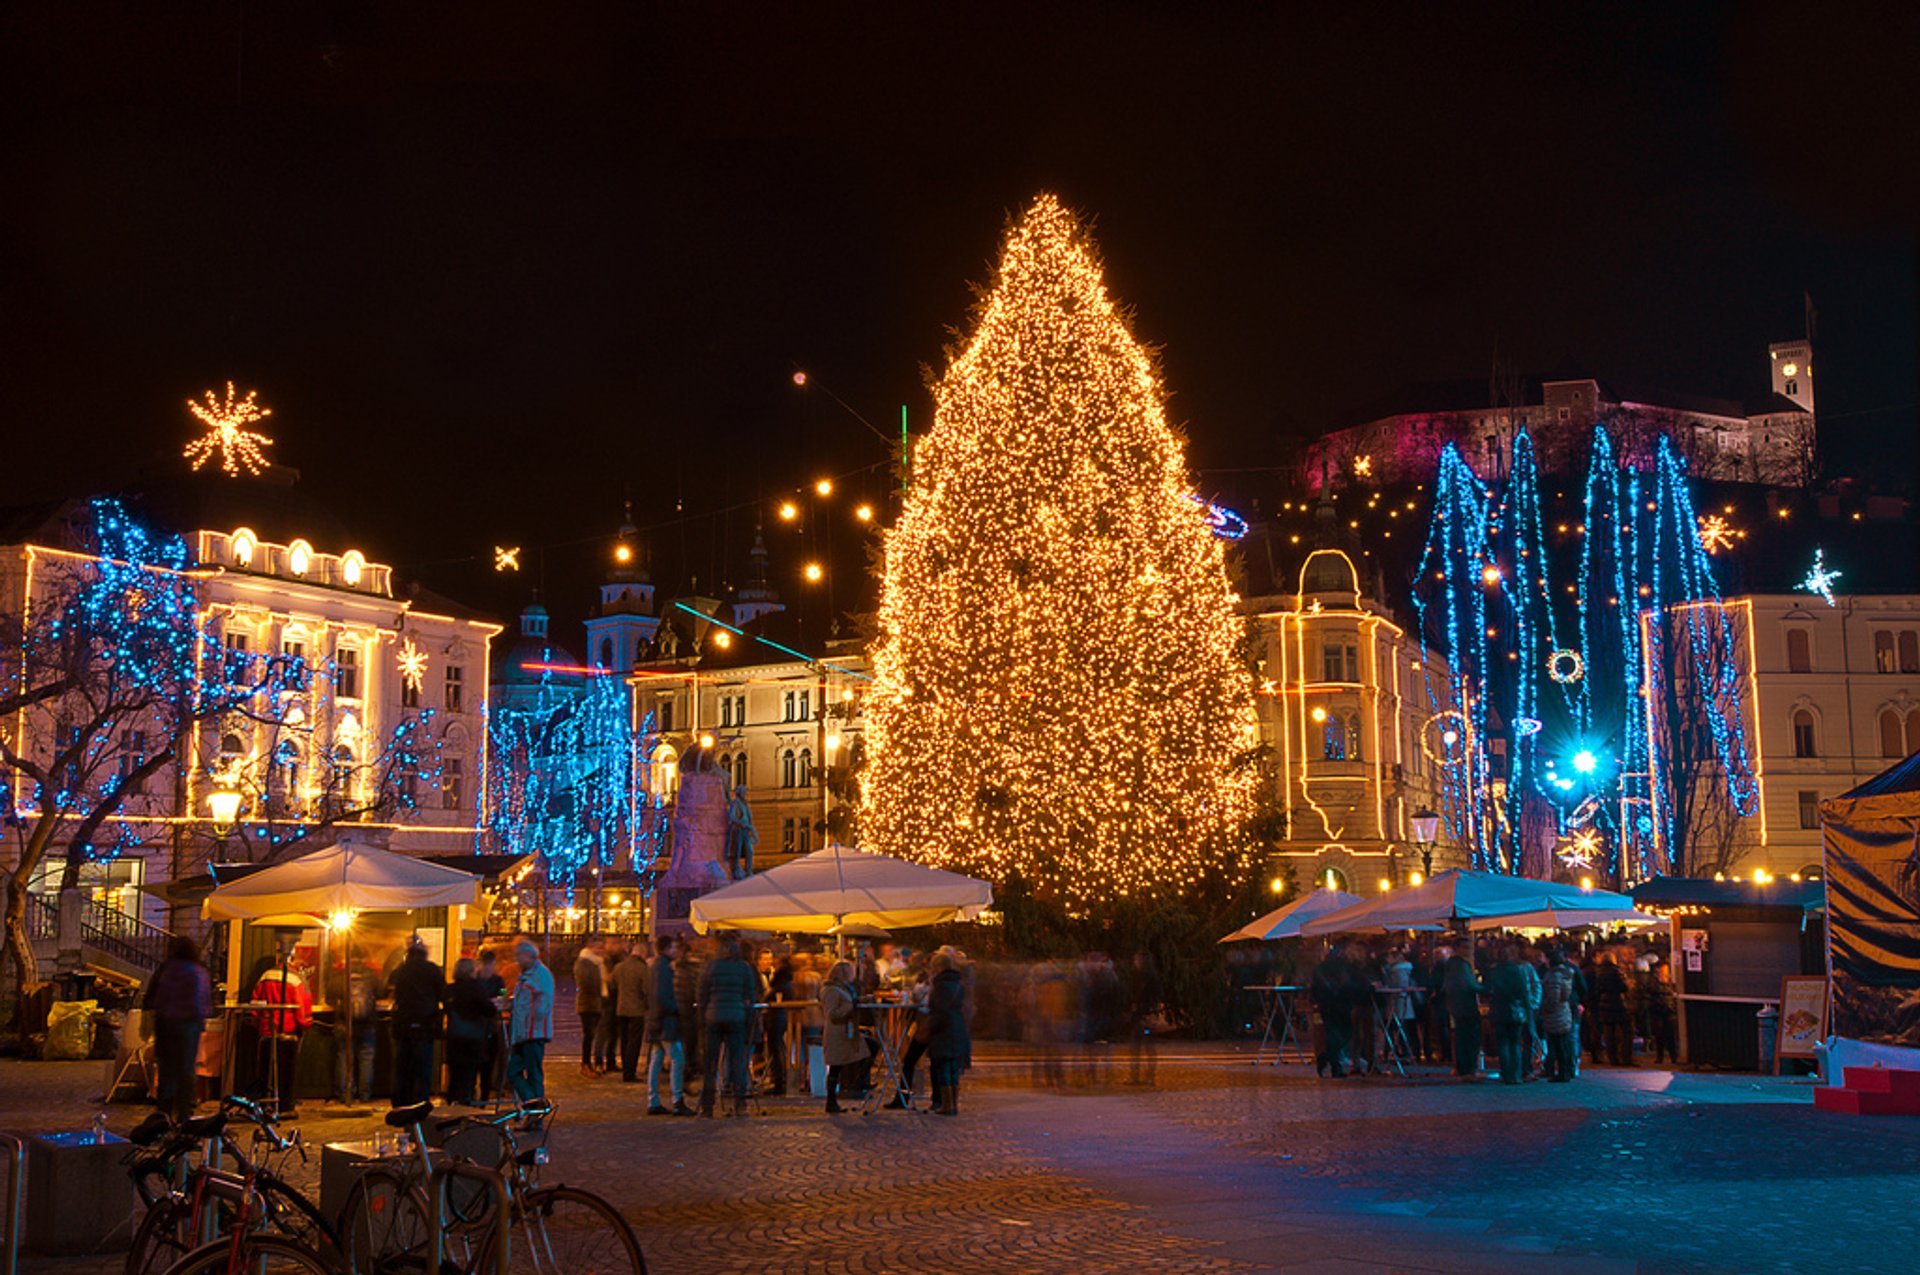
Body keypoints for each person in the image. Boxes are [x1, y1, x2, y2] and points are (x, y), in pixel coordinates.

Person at [144, 935, 212, 1123]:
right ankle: (185, 1114)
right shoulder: (198, 971)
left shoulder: (166, 969)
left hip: (165, 1023)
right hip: (189, 1024)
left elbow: (152, 996)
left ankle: (163, 1113)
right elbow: (203, 999)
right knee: (186, 1069)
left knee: (167, 1070)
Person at [696, 937, 756, 1117]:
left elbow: (701, 994)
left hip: (713, 1017)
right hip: (736, 1017)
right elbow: (750, 995)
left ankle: (708, 1105)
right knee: (737, 1060)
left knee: (711, 1062)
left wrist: (703, 1016)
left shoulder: (710, 967)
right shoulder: (744, 968)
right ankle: (739, 1103)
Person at [251, 947, 312, 1117]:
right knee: (286, 1071)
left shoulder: (264, 976)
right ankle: (285, 1107)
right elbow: (301, 1007)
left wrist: (258, 1023)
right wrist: (305, 1024)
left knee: (264, 1070)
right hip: (287, 1030)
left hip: (266, 1030)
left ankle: (264, 1104)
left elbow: (255, 1003)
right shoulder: (296, 980)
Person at [388, 936, 445, 1107]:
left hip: (403, 1023)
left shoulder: (400, 970)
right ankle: (421, 1100)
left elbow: (389, 991)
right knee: (423, 1066)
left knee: (403, 1066)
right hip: (425, 1023)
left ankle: (400, 1101)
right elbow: (443, 994)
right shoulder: (432, 970)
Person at [646, 936, 691, 1116]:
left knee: (656, 1059)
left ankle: (653, 1100)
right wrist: (676, 1008)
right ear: (665, 949)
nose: (675, 951)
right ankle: (677, 1100)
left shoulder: (654, 966)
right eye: (673, 948)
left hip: (655, 1020)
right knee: (677, 1058)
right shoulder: (663, 967)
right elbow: (662, 995)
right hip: (666, 1021)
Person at [506, 940, 555, 1102]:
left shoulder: (540, 975)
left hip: (533, 1033)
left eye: (518, 956)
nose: (516, 960)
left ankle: (536, 1109)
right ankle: (532, 1105)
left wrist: (531, 1017)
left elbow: (543, 1003)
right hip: (521, 1033)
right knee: (513, 1071)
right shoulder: (525, 976)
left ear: (528, 956)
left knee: (533, 1074)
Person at [326, 956, 378, 1103]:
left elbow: (328, 998)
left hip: (343, 1024)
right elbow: (381, 993)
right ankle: (365, 1095)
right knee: (366, 1057)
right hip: (367, 1024)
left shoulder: (339, 977)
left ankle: (345, 1094)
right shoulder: (371, 977)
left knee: (343, 1057)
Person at [1487, 944, 1541, 1085]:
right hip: (1517, 1011)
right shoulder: (1517, 971)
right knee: (1515, 1043)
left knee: (1503, 1044)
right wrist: (1528, 1008)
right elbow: (1523, 992)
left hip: (1500, 1010)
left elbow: (1489, 990)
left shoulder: (1495, 971)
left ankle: (1506, 1073)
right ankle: (1516, 1075)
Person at [445, 957, 496, 1106]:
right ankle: (466, 1104)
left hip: (454, 1037)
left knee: (454, 1076)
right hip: (472, 1038)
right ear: (470, 971)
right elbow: (488, 1010)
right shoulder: (476, 989)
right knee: (469, 1075)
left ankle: (451, 1104)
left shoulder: (450, 989)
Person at [820, 960, 869, 1114]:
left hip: (846, 1031)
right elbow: (833, 1014)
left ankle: (857, 1082)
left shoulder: (843, 989)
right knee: (836, 1067)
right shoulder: (831, 991)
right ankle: (832, 1100)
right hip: (838, 1032)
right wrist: (852, 1005)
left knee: (867, 1049)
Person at [926, 952, 970, 1116]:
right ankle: (953, 1104)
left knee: (943, 1066)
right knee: (953, 1067)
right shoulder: (958, 983)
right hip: (957, 1026)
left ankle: (947, 1104)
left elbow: (938, 1008)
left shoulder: (941, 985)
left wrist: (930, 1026)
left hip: (943, 1029)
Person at [1310, 944, 1360, 1079]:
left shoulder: (1320, 968)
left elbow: (1315, 986)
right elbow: (1349, 984)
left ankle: (1329, 1060)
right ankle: (1330, 1062)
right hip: (1341, 1003)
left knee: (1332, 1034)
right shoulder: (1344, 967)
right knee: (1344, 1033)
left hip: (1326, 1004)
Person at [1537, 945, 1579, 1083]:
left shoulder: (1554, 976)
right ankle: (1566, 1070)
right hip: (1564, 1010)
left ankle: (1563, 1073)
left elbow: (1553, 996)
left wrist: (1545, 1007)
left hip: (1556, 1013)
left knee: (1559, 1044)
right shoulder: (1566, 973)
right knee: (1563, 1043)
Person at [613, 937, 652, 1083]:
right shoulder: (642, 969)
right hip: (637, 1010)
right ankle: (630, 1072)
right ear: (642, 953)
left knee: (624, 1040)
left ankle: (625, 1068)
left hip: (621, 1008)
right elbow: (647, 989)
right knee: (634, 1042)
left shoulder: (619, 967)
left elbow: (613, 985)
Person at [1442, 945, 1484, 1077]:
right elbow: (1470, 985)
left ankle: (1462, 1067)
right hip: (1466, 1007)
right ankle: (1468, 1068)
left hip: (1456, 1006)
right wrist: (1485, 988)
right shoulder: (1461, 966)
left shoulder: (1451, 966)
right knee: (1469, 1038)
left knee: (1460, 1037)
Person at [1127, 951, 1165, 1086]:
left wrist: (1150, 1012)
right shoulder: (1140, 977)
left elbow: (1156, 998)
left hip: (1146, 1016)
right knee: (1137, 1047)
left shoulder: (1150, 977)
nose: (1135, 962)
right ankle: (1138, 1076)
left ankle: (1147, 1077)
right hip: (1140, 1015)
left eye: (1137, 960)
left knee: (1146, 1047)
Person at [572, 935, 606, 1078]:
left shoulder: (598, 962)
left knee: (592, 1034)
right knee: (589, 1035)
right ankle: (585, 1064)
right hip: (588, 1003)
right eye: (598, 947)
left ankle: (590, 1063)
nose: (601, 950)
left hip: (596, 1002)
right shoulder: (584, 962)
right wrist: (601, 986)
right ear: (590, 946)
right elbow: (585, 983)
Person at [475, 948, 507, 1102]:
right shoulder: (475, 980)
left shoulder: (498, 980)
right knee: (482, 1062)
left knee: (488, 1063)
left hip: (489, 1025)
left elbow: (502, 995)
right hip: (481, 1025)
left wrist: (499, 1000)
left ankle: (484, 1095)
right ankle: (479, 1095)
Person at [1591, 952, 1633, 1066]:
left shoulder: (1599, 973)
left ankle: (1612, 1059)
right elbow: (1623, 987)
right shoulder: (1616, 971)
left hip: (1604, 1005)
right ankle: (1626, 1058)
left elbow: (1597, 989)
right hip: (1618, 1004)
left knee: (1609, 1033)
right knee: (1627, 1032)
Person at [763, 951, 794, 1097]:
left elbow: (769, 997)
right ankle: (780, 1080)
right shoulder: (789, 981)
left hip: (776, 1017)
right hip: (782, 1017)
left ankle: (779, 1082)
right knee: (778, 1048)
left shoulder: (780, 982)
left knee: (776, 1049)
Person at [1382, 946, 1417, 1068]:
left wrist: (1386, 986)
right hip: (1400, 1003)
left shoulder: (1397, 970)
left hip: (1398, 1002)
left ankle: (1396, 1053)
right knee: (1398, 1028)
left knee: (1397, 1027)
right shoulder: (1401, 969)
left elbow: (1398, 985)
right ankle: (1399, 1053)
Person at [592, 940, 624, 1074]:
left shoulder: (619, 959)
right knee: (604, 1031)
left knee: (614, 1033)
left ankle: (610, 1060)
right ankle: (599, 1060)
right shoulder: (603, 962)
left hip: (615, 999)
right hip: (606, 1000)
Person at [1641, 960, 1679, 1064]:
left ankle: (1673, 1056)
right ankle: (1660, 1056)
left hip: (1669, 1010)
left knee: (1670, 1035)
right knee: (1659, 1035)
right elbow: (1649, 990)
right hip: (1657, 1010)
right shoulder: (1653, 981)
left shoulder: (1671, 980)